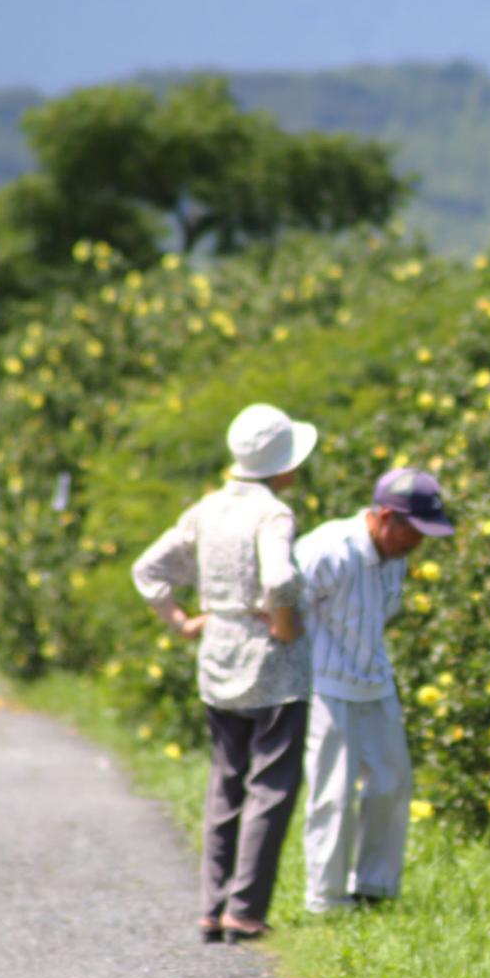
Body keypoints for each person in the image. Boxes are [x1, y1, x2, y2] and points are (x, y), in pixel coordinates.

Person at [132, 403, 317, 944]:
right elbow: (280, 579)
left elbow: (148, 569)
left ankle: (212, 908)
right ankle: (246, 910)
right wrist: (284, 625)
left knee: (226, 780)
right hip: (271, 666)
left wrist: (182, 622)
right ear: (279, 466)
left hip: (217, 655)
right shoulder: (274, 514)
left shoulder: (205, 510)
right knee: (271, 785)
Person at [296, 467, 454, 912]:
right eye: (414, 531)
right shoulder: (328, 549)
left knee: (391, 784)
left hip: (375, 681)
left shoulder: (396, 557)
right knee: (334, 794)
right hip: (325, 683)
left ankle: (374, 890)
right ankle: (325, 901)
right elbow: (282, 603)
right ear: (386, 517)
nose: (419, 542)